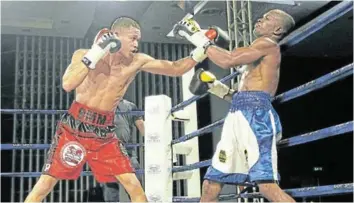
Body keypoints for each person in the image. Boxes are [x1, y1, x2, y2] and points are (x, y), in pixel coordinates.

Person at [24, 16, 210, 202]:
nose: (136, 43)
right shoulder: (83, 54)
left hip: (104, 133)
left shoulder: (137, 61)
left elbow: (175, 68)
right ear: (115, 36)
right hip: (75, 128)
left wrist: (203, 49)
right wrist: (96, 52)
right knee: (45, 184)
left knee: (134, 186)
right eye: (132, 38)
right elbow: (68, 84)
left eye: (138, 39)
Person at [176, 9, 297, 202]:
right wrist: (216, 88)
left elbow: (228, 60)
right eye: (262, 16)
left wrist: (197, 36)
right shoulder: (257, 54)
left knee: (267, 187)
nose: (260, 19)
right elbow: (243, 96)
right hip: (238, 115)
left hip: (257, 118)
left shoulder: (267, 44)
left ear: (278, 29)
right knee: (210, 185)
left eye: (267, 18)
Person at [102, 99, 144, 202]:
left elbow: (142, 126)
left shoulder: (130, 105)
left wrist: (154, 141)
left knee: (136, 186)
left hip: (127, 152)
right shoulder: (101, 104)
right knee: (111, 189)